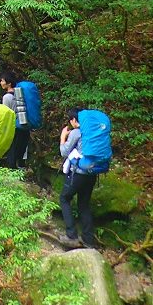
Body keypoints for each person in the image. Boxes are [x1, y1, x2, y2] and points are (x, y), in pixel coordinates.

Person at [58, 107, 97, 249]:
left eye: (71, 120)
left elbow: (64, 152)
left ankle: (71, 235)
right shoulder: (93, 132)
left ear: (74, 120)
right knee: (84, 205)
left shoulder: (76, 132)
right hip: (92, 173)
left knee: (64, 198)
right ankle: (88, 239)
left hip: (78, 173)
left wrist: (63, 138)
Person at [0, 69, 30, 169]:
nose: (1, 83)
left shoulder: (7, 97)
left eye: (2, 81)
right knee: (21, 150)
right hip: (24, 124)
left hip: (14, 127)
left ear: (8, 83)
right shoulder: (21, 94)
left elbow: (6, 114)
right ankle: (21, 168)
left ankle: (12, 171)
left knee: (12, 151)